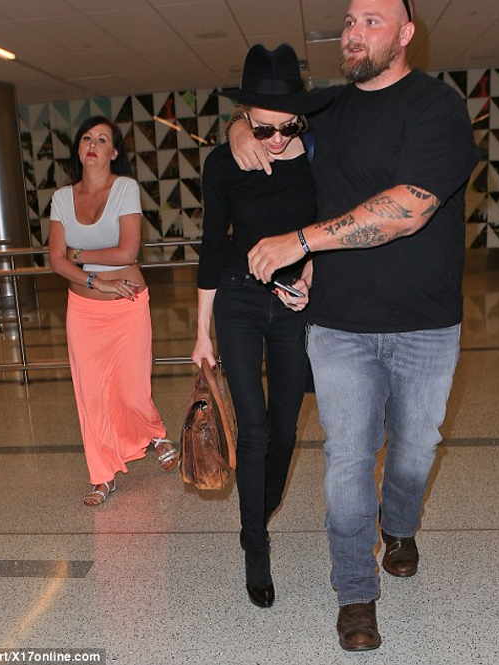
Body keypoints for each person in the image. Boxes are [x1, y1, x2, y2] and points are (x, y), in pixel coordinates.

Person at [229, 0, 480, 651]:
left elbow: (407, 209)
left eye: (372, 20)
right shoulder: (330, 110)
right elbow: (269, 117)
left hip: (425, 322)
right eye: (348, 20)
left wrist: (300, 243)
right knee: (347, 457)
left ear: (405, 34)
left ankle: (399, 524)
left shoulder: (437, 108)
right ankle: (354, 592)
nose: (354, 32)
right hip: (339, 323)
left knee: (414, 449)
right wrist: (238, 129)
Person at [191, 44, 331, 609]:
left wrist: (312, 275)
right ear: (244, 114)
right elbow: (211, 247)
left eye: (286, 127)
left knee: (285, 429)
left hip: (293, 304)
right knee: (253, 430)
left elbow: (330, 228)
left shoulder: (319, 153)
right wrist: (201, 332)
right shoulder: (225, 164)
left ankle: (260, 504)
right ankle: (256, 545)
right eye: (262, 128)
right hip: (239, 301)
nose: (275, 139)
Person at [48, 115, 178, 507]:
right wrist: (94, 280)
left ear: (114, 152)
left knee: (131, 390)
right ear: (79, 148)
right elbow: (57, 260)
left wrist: (80, 253)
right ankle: (103, 475)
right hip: (83, 309)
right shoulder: (62, 199)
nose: (93, 145)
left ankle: (154, 431)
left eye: (102, 140)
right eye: (87, 138)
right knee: (91, 396)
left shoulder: (125, 188)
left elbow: (127, 251)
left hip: (127, 306)